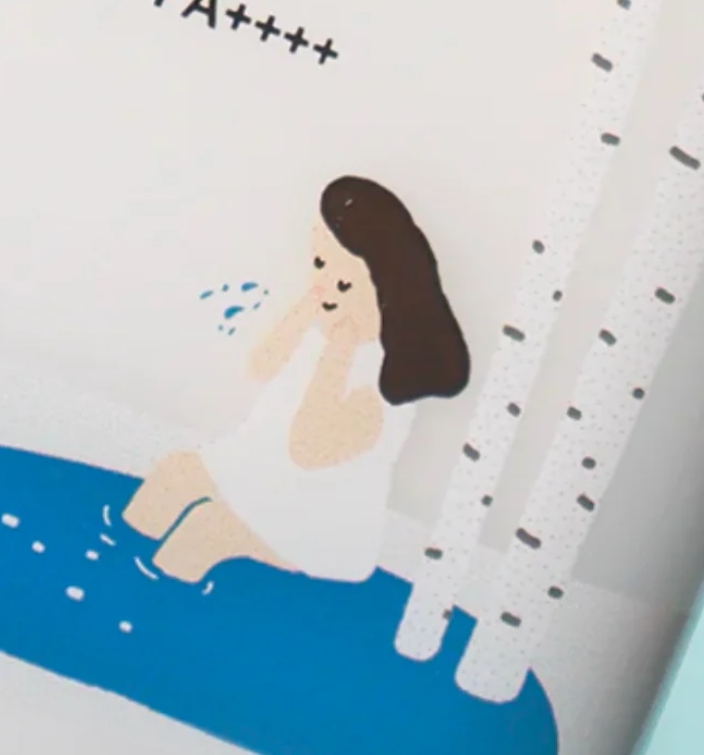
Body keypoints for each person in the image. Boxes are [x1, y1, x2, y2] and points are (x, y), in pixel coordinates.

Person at [123, 175, 471, 583]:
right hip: (255, 468)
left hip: (311, 519)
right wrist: (307, 307)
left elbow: (307, 448)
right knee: (174, 474)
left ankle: (151, 594)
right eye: (319, 263)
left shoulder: (385, 380)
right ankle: (110, 560)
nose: (324, 285)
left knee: (204, 530)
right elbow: (260, 367)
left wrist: (339, 350)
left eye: (343, 283)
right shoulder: (319, 325)